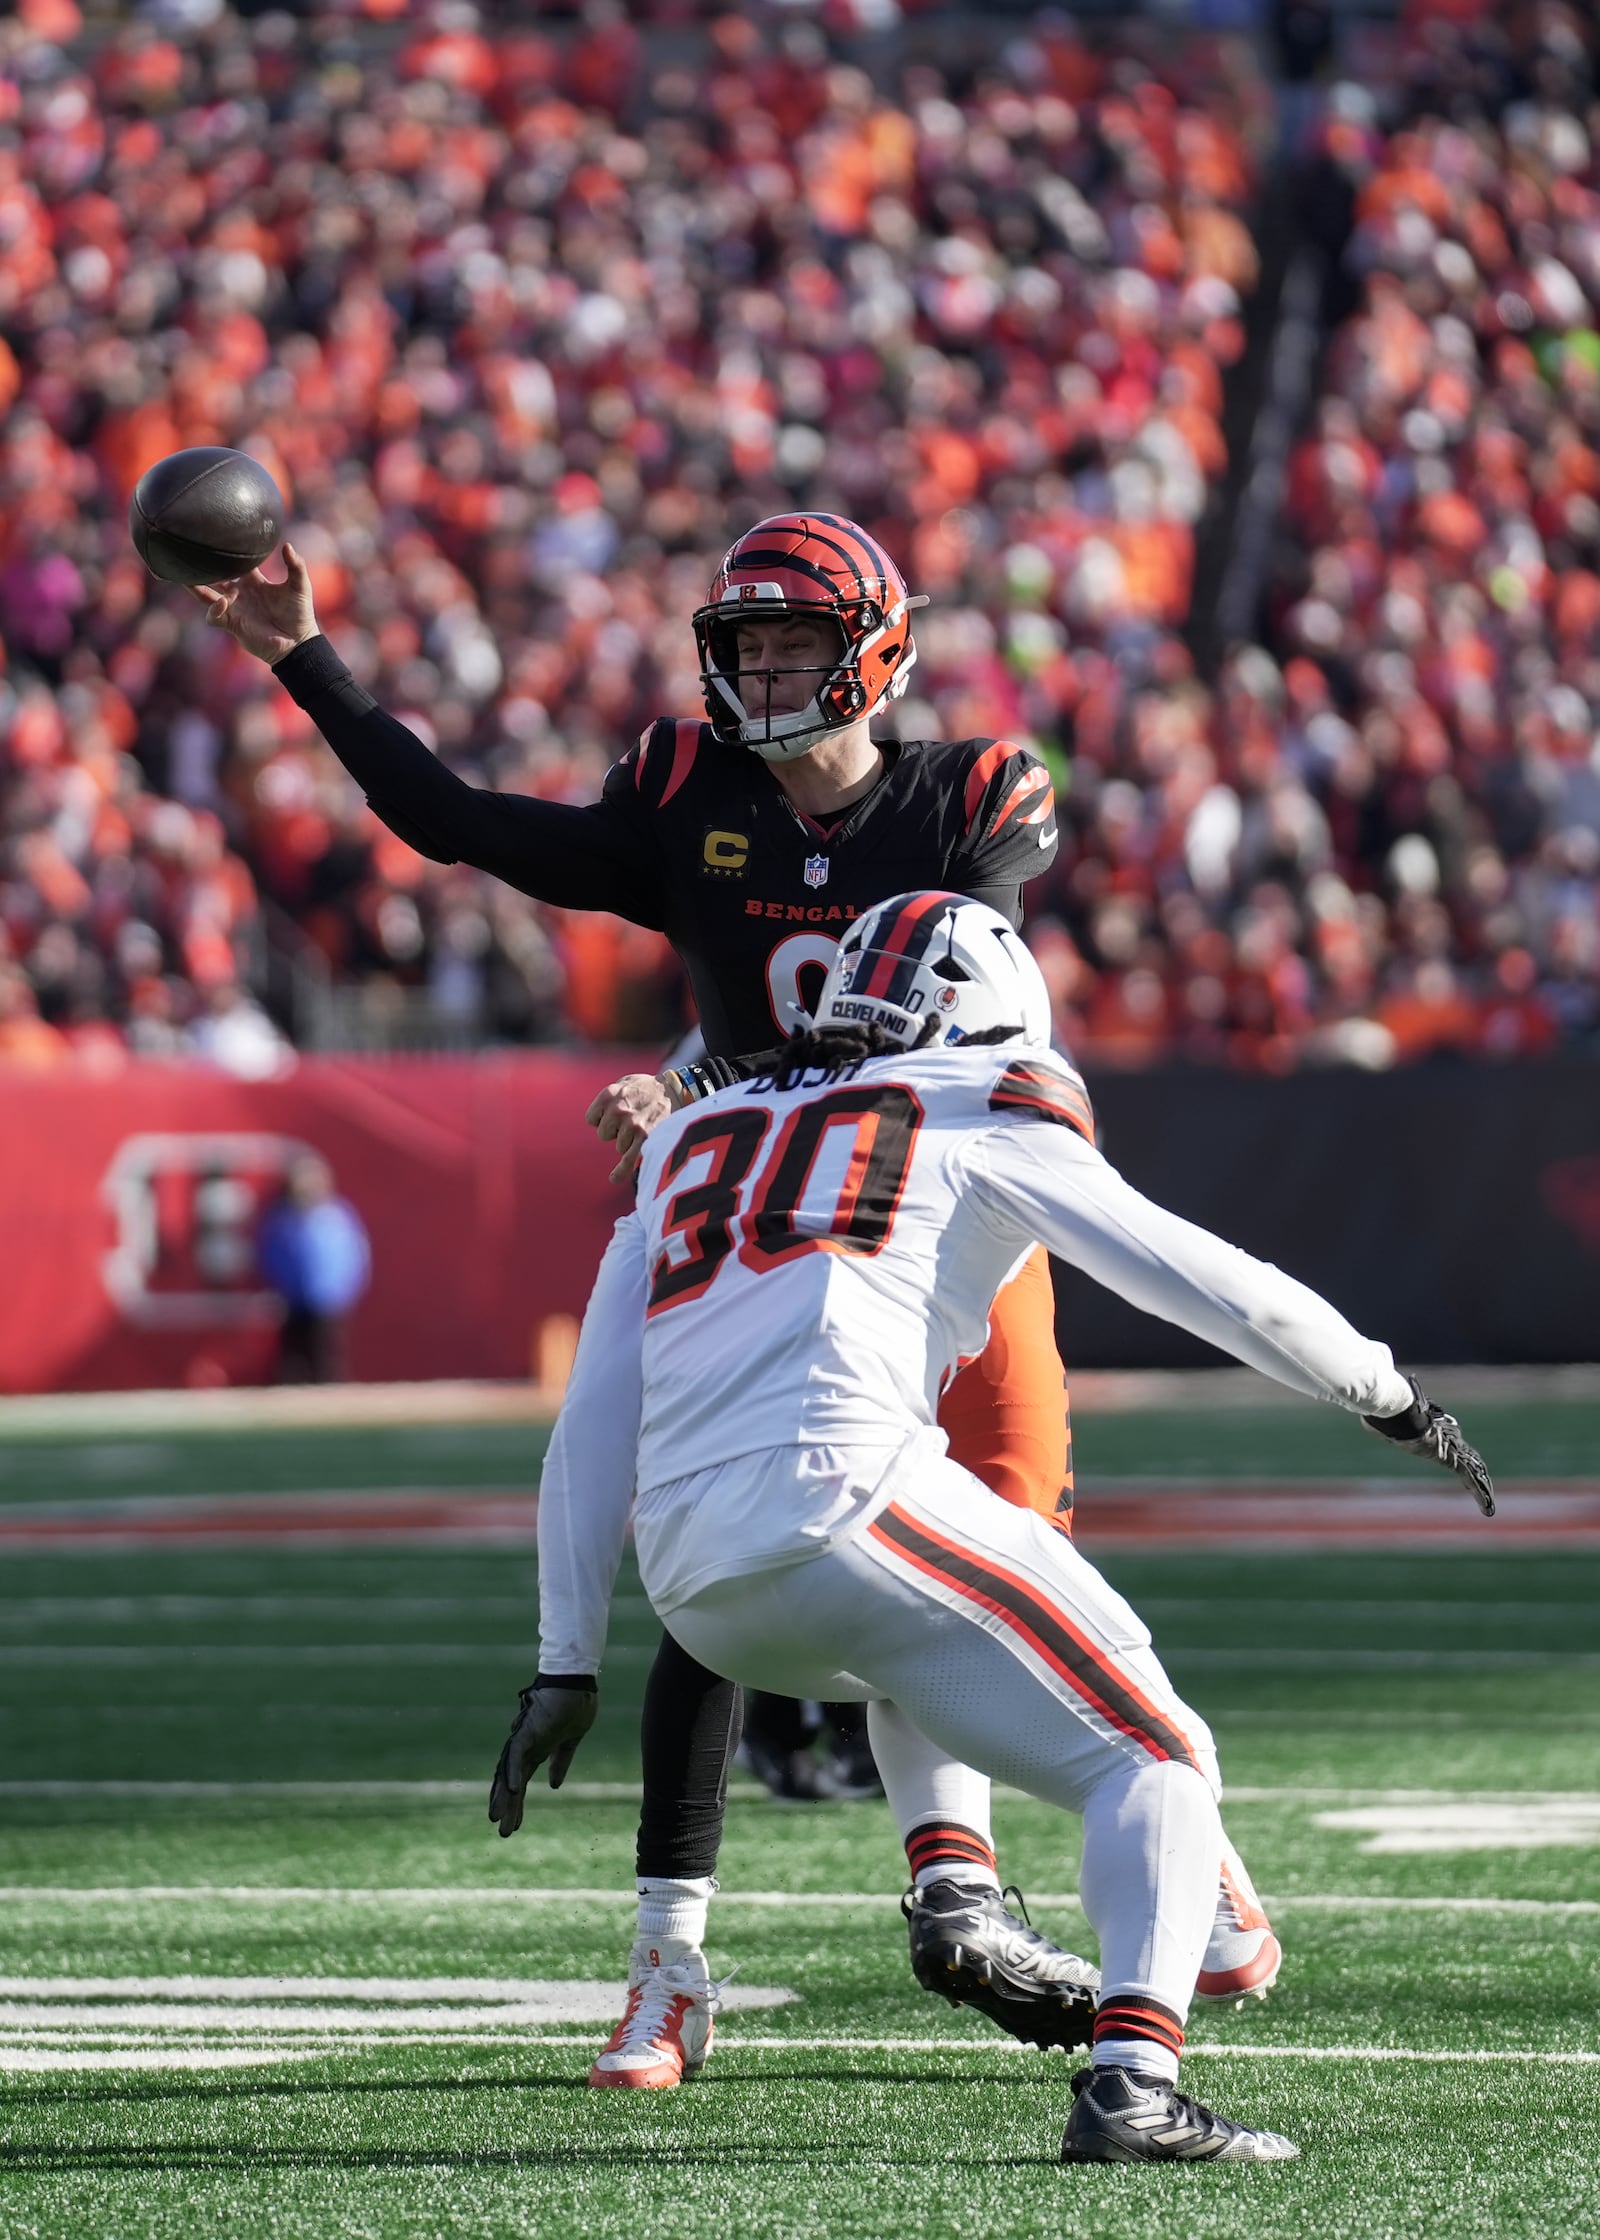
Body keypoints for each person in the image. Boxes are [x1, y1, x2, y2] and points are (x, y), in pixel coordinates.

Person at [191, 513, 1262, 2064]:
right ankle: (688, 1954)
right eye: (744, 644)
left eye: (793, 643)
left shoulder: (970, 795)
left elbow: (920, 994)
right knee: (720, 1539)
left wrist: (696, 1082)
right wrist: (304, 658)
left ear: (876, 651)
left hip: (934, 1209)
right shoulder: (685, 796)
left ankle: (1007, 1861)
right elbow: (455, 823)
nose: (764, 671)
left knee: (1000, 1546)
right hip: (763, 1218)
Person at [492, 890, 1494, 2161]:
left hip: (697, 1583)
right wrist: (1386, 1391)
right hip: (844, 1504)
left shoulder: (699, 1128)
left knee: (926, 1642)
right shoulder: (983, 1097)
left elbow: (590, 1417)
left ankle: (971, 1884)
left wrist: (566, 1655)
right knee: (1158, 1752)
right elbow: (1202, 1279)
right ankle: (1134, 2078)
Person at [256, 1152, 371, 1383]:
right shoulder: (281, 1217)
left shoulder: (336, 1216)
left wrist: (344, 1290)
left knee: (325, 1353)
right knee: (293, 1354)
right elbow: (270, 1254)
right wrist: (280, 1286)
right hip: (293, 1299)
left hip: (328, 1299)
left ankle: (330, 1396)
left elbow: (353, 1255)